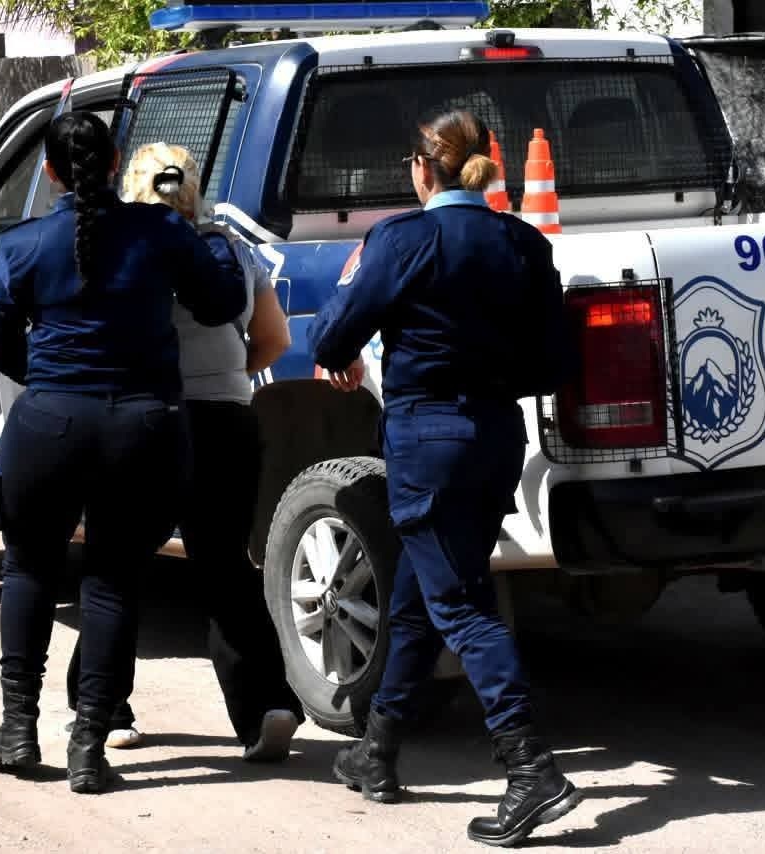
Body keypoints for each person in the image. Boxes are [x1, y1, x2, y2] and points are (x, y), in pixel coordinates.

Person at [307, 109, 581, 847]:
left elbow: (331, 335)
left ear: (422, 170)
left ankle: (530, 769)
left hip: (428, 439)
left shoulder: (404, 239)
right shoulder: (521, 242)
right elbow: (555, 363)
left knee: (457, 600)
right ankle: (379, 748)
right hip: (495, 435)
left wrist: (350, 354)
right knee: (420, 595)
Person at [0, 111, 246, 794]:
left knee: (29, 569)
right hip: (143, 426)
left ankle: (17, 726)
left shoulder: (23, 244)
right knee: (114, 578)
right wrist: (212, 237)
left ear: (49, 171)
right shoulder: (162, 233)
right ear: (117, 158)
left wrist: (48, 383)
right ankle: (89, 746)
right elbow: (220, 305)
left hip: (49, 423)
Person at [65, 141, 304, 761]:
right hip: (227, 419)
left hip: (143, 417)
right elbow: (274, 338)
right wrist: (224, 382)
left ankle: (104, 708)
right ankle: (265, 708)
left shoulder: (115, 243)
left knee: (116, 565)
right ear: (194, 186)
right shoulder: (230, 246)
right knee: (225, 564)